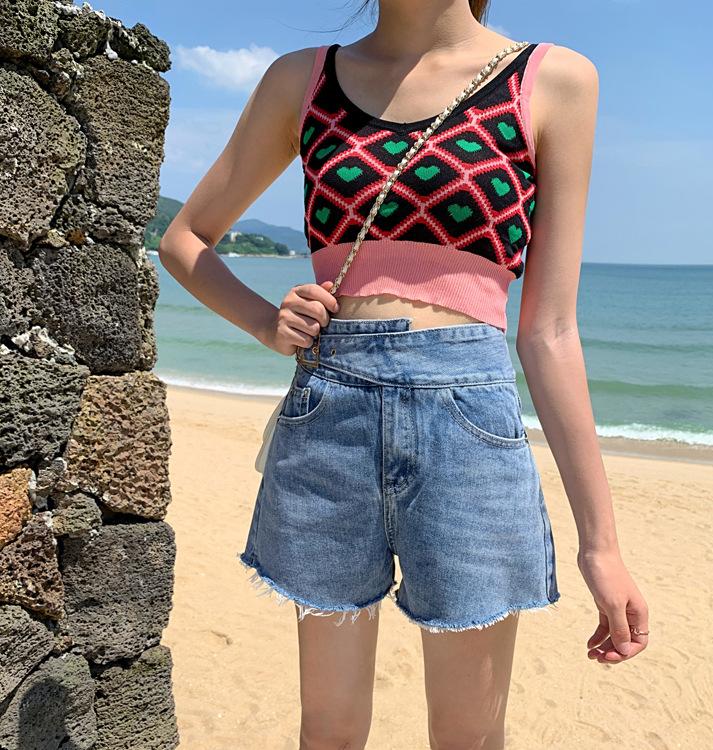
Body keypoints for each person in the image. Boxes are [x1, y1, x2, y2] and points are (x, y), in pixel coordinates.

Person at [159, 1, 650, 747]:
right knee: (328, 731)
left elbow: (548, 331)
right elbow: (186, 237)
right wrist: (265, 323)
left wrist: (600, 546)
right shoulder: (303, 79)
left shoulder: (552, 79)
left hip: (470, 427)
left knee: (468, 736)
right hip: (328, 414)